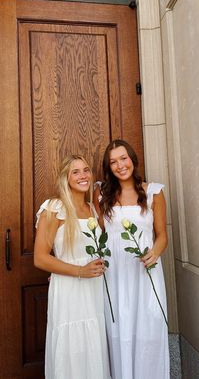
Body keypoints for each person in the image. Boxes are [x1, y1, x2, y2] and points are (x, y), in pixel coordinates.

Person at [94, 139, 170, 379]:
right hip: (114, 275)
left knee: (148, 330)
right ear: (109, 166)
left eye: (123, 158)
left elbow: (162, 235)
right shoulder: (101, 194)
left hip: (145, 273)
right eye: (113, 162)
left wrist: (155, 253)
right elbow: (99, 237)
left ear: (133, 159)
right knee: (119, 332)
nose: (120, 165)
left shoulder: (153, 192)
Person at [34, 154, 111, 379]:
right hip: (69, 289)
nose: (83, 175)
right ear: (65, 178)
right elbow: (39, 258)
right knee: (71, 345)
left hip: (93, 290)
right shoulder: (54, 207)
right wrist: (79, 271)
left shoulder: (93, 210)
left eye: (86, 170)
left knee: (91, 343)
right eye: (75, 172)